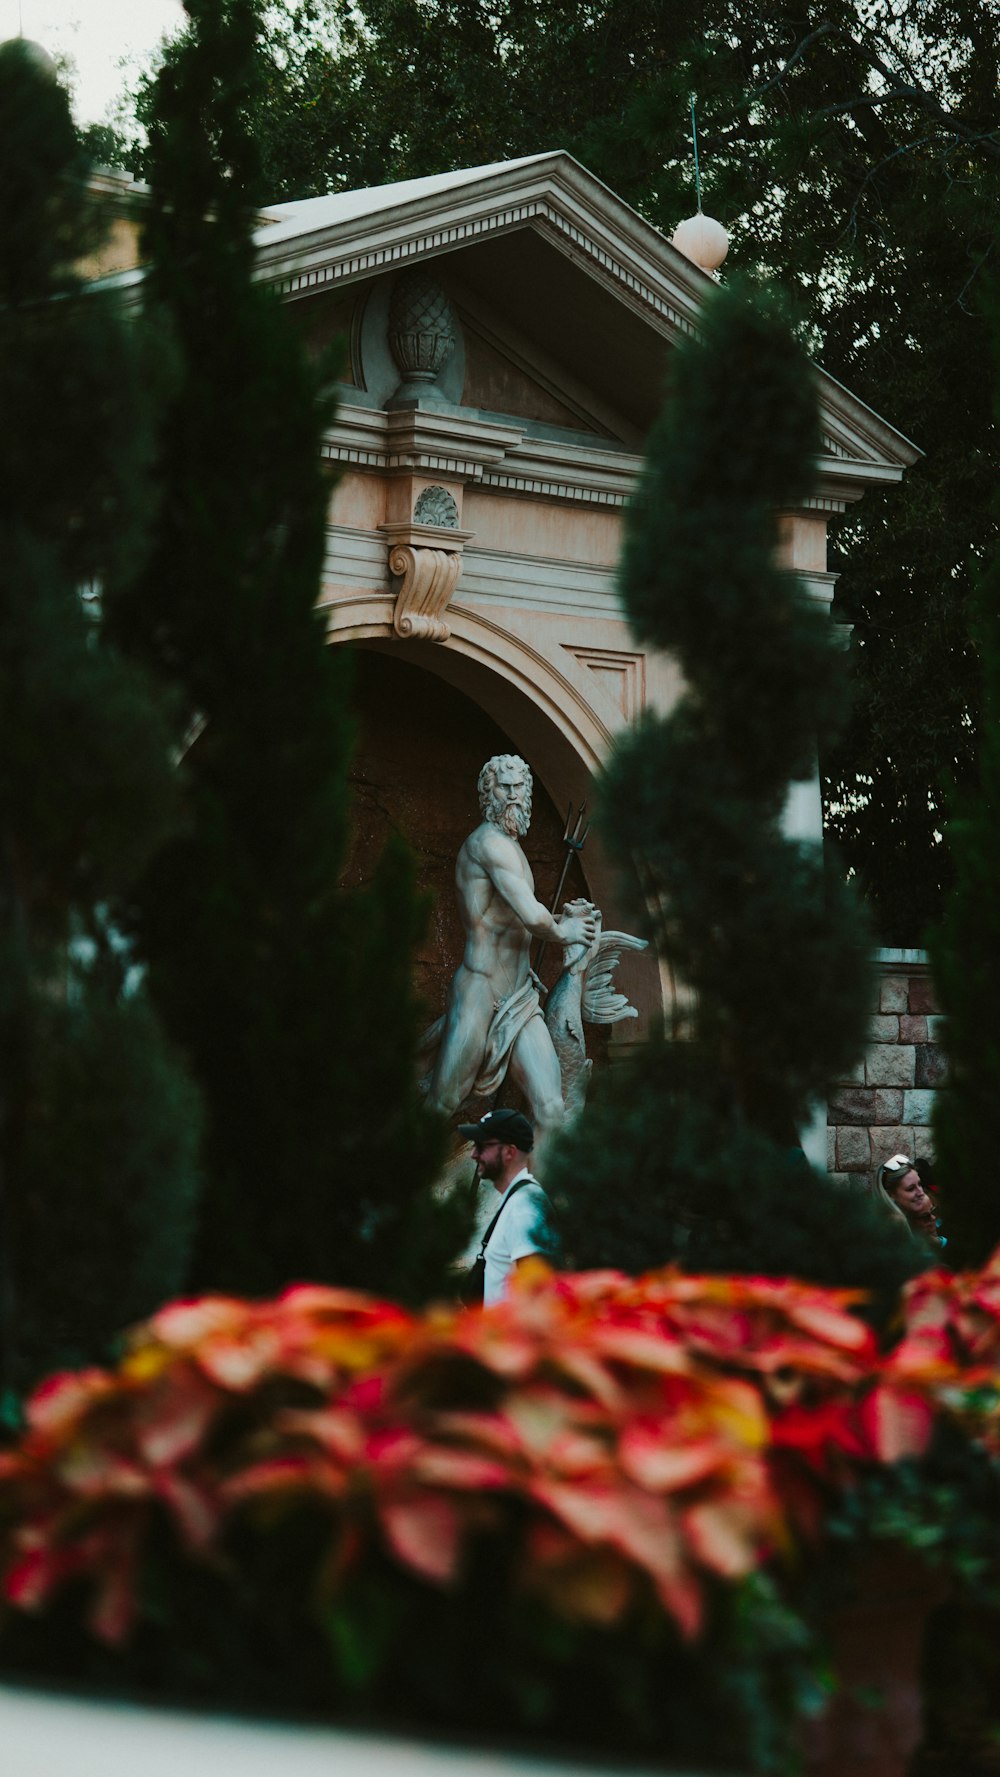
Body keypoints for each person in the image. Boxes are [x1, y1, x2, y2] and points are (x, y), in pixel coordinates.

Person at [426, 755, 597, 1152]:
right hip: (481, 992)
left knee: (552, 1108)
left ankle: (536, 1206)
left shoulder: (511, 848)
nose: (514, 796)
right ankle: (393, 1191)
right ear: (489, 793)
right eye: (505, 787)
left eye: (520, 788)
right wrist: (562, 928)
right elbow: (531, 916)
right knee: (443, 1102)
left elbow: (524, 921)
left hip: (519, 997)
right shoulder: (487, 844)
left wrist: (568, 921)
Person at [458, 1108, 557, 1304]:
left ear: (509, 1152)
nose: (473, 1154)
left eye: (481, 1146)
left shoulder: (524, 1208)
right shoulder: (518, 1199)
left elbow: (538, 1291)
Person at [876, 1153, 946, 1252]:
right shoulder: (890, 1234)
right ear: (891, 1195)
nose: (920, 1192)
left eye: (920, 1184)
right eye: (911, 1189)